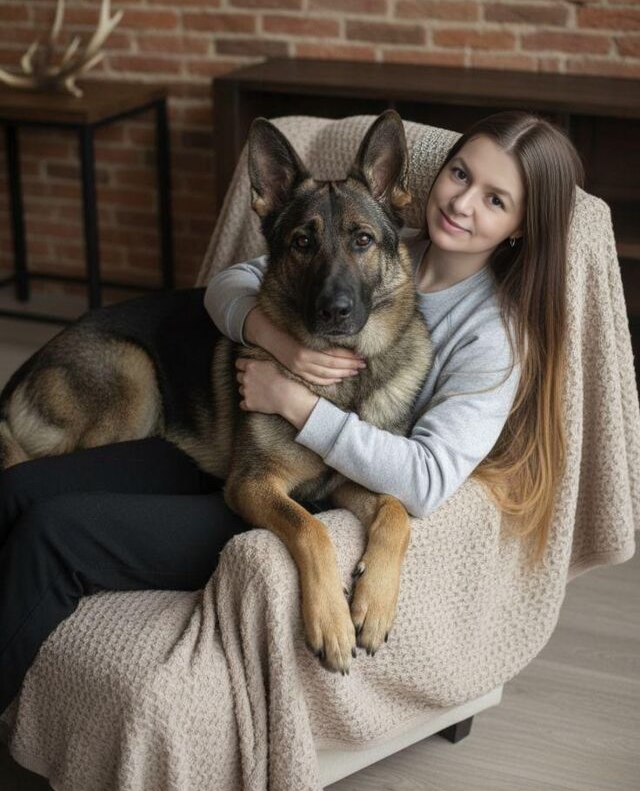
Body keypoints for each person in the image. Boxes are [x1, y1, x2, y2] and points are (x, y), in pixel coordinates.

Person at [0, 110, 582, 715]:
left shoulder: (489, 336)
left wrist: (294, 403)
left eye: (494, 199)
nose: (462, 202)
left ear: (521, 225)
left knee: (51, 533)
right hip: (224, 448)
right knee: (17, 490)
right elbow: (232, 284)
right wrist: (275, 340)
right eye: (460, 174)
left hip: (291, 488)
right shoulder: (386, 233)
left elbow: (426, 481)